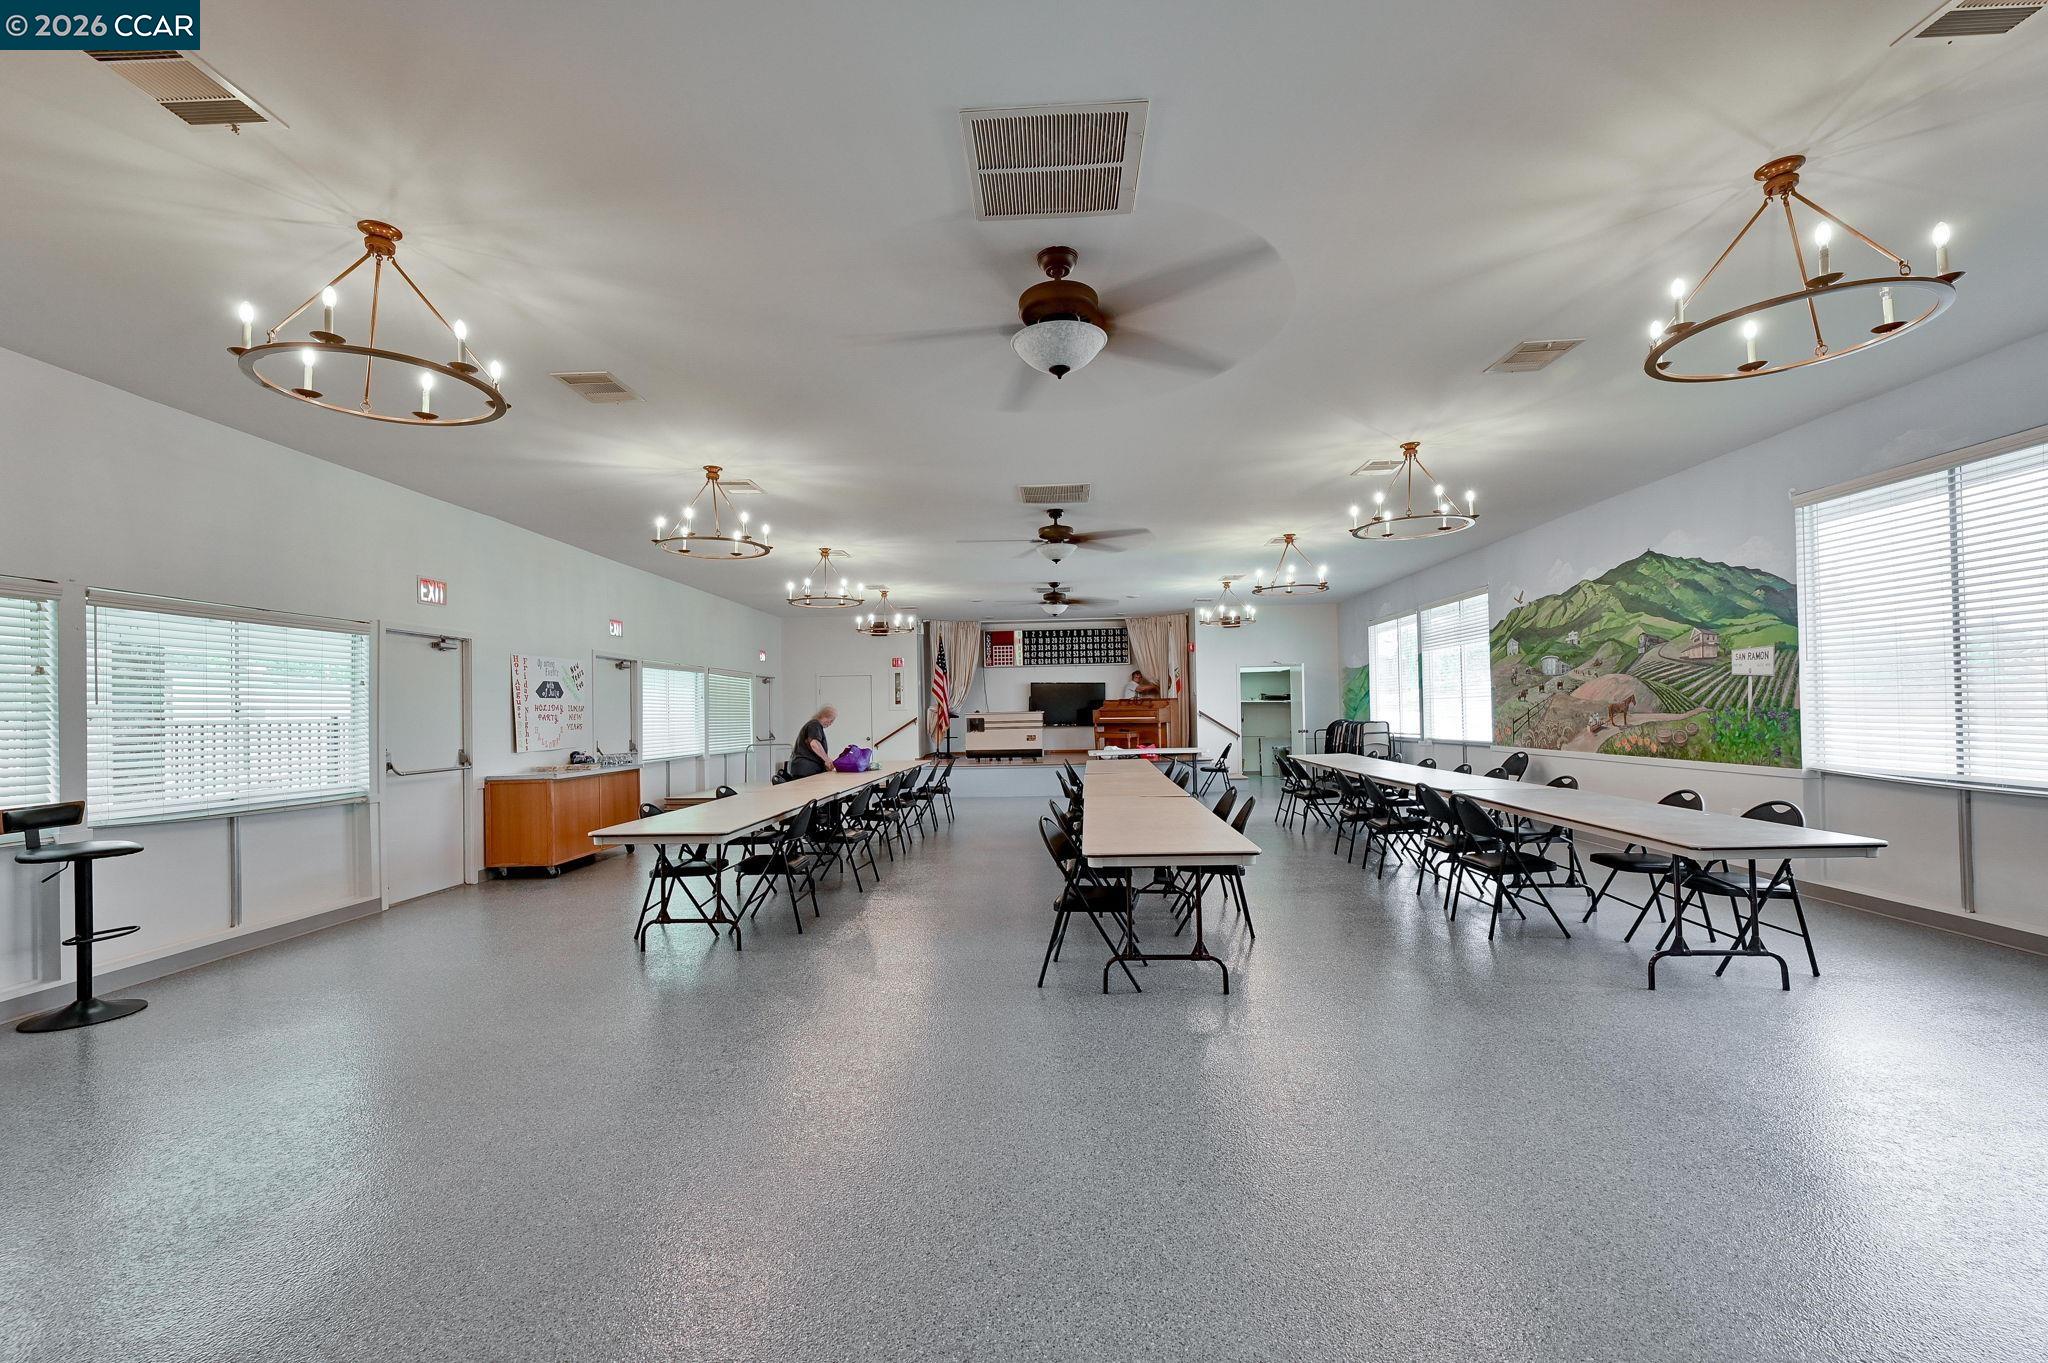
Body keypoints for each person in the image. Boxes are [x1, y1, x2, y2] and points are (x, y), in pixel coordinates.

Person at [788, 705, 835, 778]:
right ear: (824, 716)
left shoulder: (814, 725)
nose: (831, 723)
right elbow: (814, 744)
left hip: (803, 768)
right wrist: (827, 760)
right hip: (805, 769)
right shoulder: (814, 724)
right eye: (831, 720)